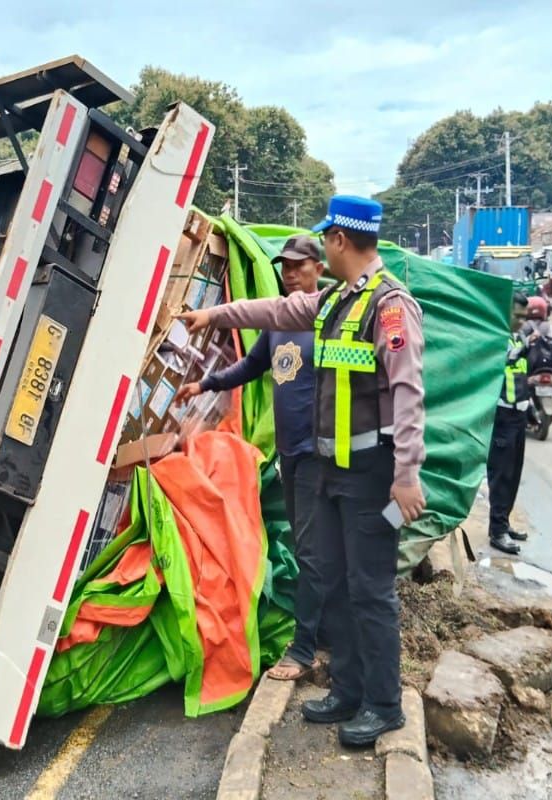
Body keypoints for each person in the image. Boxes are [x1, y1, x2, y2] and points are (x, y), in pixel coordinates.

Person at [179, 195, 427, 747]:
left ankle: (384, 705)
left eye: (323, 242)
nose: (312, 258)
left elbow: (409, 391)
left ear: (339, 241)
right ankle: (347, 689)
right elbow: (270, 312)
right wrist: (213, 314)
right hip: (332, 470)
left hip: (370, 471)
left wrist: (407, 474)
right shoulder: (336, 300)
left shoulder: (389, 307)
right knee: (336, 582)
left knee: (372, 590)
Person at [174, 235, 325, 682]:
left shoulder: (326, 317)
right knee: (305, 547)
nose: (291, 274)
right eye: (286, 267)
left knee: (315, 550)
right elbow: (252, 366)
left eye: (299, 266)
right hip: (291, 454)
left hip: (321, 456)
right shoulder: (279, 322)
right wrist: (204, 385)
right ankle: (322, 635)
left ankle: (304, 650)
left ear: (319, 267)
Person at [486, 328, 530, 555]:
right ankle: (497, 530)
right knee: (501, 475)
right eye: (519, 314)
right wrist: (512, 353)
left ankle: (504, 523)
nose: (522, 320)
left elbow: (523, 374)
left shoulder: (519, 336)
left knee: (513, 475)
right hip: (502, 416)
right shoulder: (497, 338)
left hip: (519, 414)